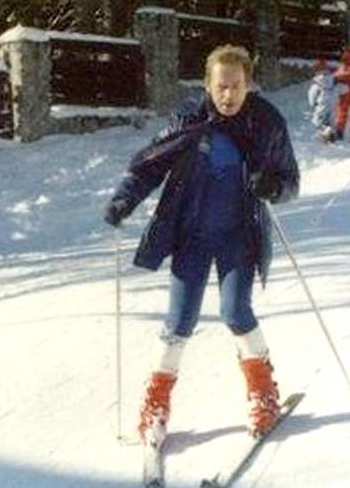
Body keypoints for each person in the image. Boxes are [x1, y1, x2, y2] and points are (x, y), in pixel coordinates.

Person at [103, 44, 300, 448]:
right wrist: (124, 199)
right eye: (221, 86)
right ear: (208, 85)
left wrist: (274, 187)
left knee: (235, 311)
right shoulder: (188, 119)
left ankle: (263, 393)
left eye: (237, 86)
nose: (229, 95)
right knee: (179, 321)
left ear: (249, 84)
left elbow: (291, 181)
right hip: (190, 235)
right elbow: (149, 166)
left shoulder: (266, 122)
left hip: (238, 236)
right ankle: (156, 405)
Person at [308, 58, 336, 142]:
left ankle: (326, 134)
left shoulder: (317, 82)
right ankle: (330, 135)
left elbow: (312, 95)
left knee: (318, 121)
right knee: (329, 120)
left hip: (321, 104)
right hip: (331, 102)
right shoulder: (332, 79)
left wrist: (313, 104)